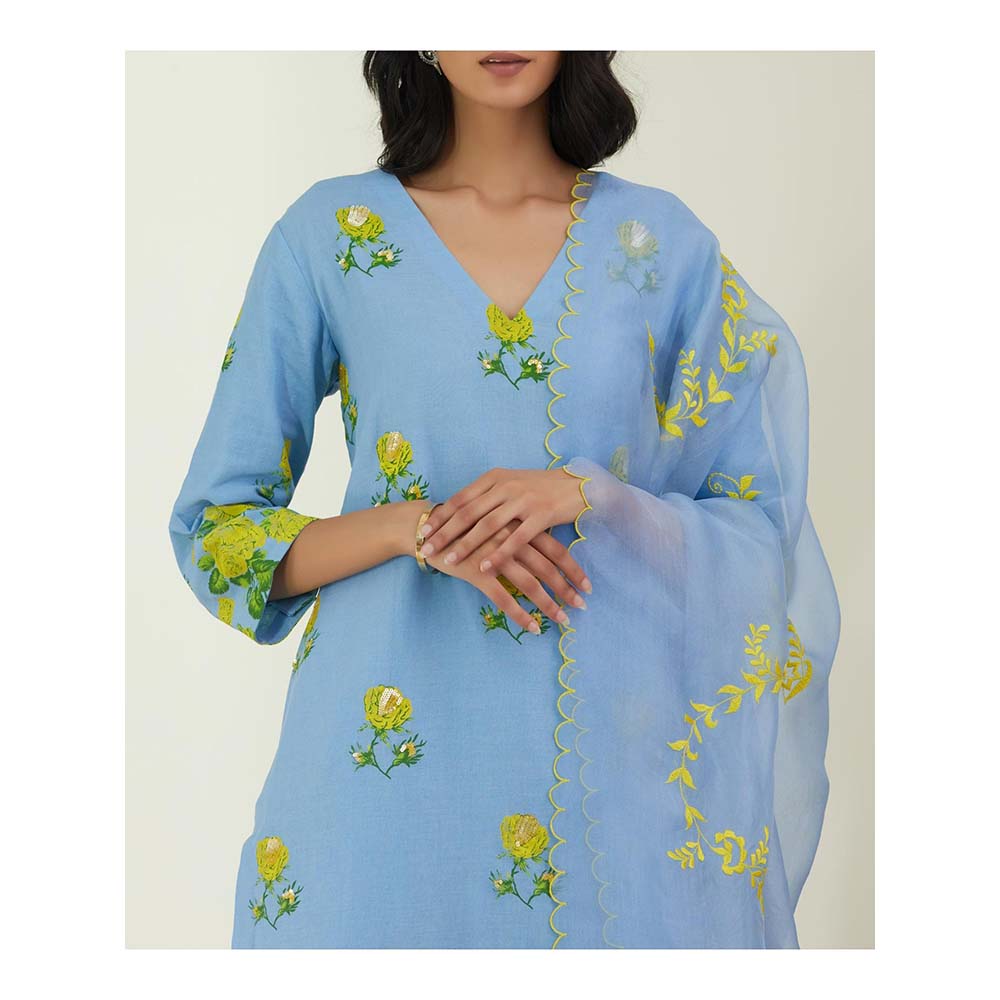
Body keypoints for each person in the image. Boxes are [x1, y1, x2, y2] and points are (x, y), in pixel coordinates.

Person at [167, 50, 841, 949]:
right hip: (379, 789)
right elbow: (216, 527)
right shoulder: (329, 236)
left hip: (609, 787)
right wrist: (413, 528)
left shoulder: (660, 246)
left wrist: (590, 495)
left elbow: (760, 525)